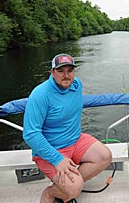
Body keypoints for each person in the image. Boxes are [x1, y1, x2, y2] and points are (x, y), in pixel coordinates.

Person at [23, 53, 112, 203]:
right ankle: (51, 193)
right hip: (51, 149)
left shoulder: (77, 85)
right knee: (74, 188)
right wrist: (58, 159)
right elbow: (30, 134)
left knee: (105, 156)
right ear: (52, 72)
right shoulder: (40, 94)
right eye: (60, 70)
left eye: (70, 70)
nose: (66, 75)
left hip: (75, 140)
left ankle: (66, 185)